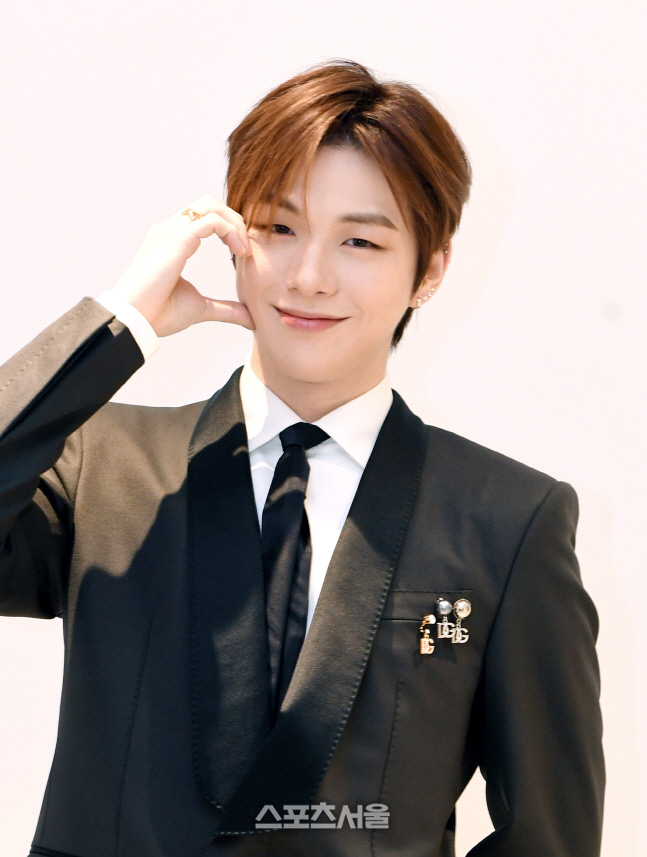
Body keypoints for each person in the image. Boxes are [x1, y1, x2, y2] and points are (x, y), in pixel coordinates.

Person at [0, 60, 604, 857]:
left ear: (429, 269)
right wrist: (122, 321)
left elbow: (549, 836)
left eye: (358, 240)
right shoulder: (99, 463)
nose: (309, 277)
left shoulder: (506, 518)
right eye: (278, 229)